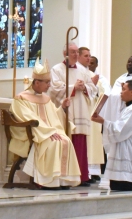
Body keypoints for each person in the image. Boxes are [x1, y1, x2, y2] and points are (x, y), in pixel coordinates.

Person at [9, 60, 81, 189]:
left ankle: (62, 181)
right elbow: (28, 118)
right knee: (53, 142)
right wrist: (47, 132)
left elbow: (53, 116)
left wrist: (63, 108)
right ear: (37, 83)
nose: (49, 85)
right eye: (47, 83)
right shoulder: (21, 98)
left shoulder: (46, 99)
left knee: (66, 141)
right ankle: (47, 181)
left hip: (46, 132)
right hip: (33, 134)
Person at [49, 43, 97, 186]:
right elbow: (54, 89)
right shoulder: (57, 69)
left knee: (80, 142)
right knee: (67, 140)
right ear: (65, 53)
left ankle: (82, 177)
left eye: (77, 52)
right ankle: (66, 177)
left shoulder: (83, 70)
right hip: (66, 111)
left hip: (81, 110)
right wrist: (73, 88)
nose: (76, 55)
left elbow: (93, 89)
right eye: (73, 52)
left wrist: (85, 87)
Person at [80, 50, 105, 183]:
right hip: (84, 110)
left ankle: (94, 170)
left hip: (94, 110)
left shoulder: (93, 75)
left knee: (95, 141)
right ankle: (86, 171)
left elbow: (100, 92)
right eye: (86, 56)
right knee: (88, 141)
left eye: (90, 56)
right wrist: (92, 86)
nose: (89, 59)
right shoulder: (80, 73)